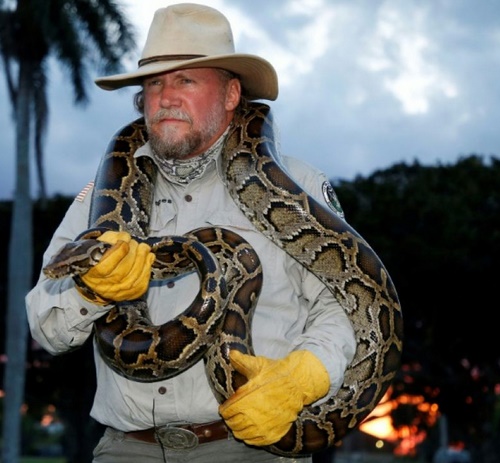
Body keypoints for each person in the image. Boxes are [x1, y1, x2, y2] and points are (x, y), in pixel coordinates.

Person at [26, 3, 356, 463]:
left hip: (249, 447)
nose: (166, 96)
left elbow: (343, 307)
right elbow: (45, 325)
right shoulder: (97, 197)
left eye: (186, 80)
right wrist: (89, 292)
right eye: (155, 83)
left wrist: (309, 373)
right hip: (128, 449)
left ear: (230, 94)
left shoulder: (298, 186)